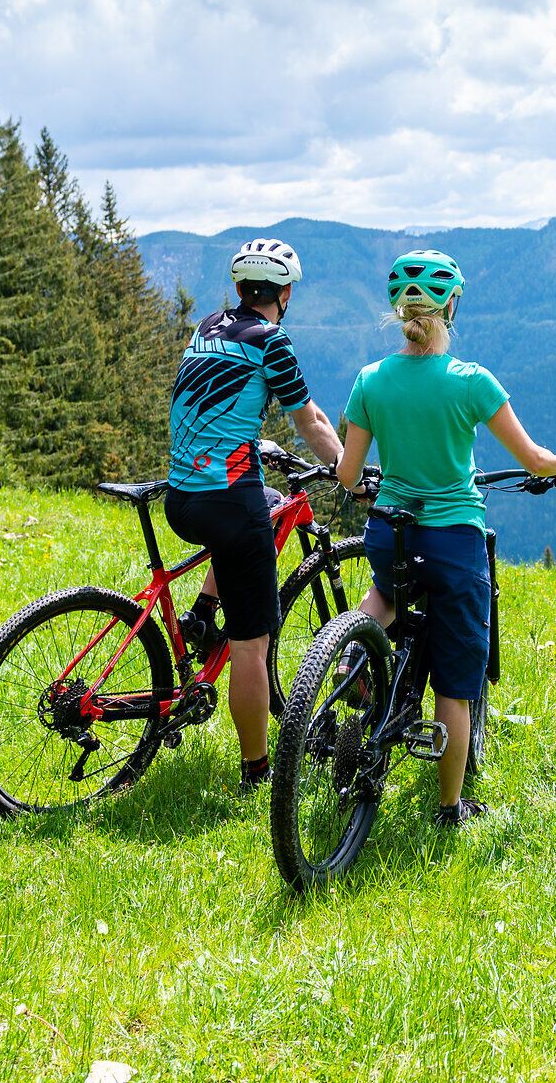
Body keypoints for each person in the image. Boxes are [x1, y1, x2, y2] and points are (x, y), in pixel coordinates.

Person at [333, 249, 556, 827]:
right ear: (450, 307)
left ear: (400, 312)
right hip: (453, 542)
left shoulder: (370, 380)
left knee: (387, 591)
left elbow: (348, 475)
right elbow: (533, 459)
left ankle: (351, 654)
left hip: (390, 532)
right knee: (455, 680)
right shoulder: (472, 382)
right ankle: (450, 806)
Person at [166, 237, 343, 791]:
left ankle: (202, 612)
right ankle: (256, 770)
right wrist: (349, 472)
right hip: (227, 500)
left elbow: (217, 402)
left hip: (182, 497)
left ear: (241, 288)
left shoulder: (207, 328)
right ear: (284, 294)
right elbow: (310, 421)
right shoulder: (271, 341)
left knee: (265, 504)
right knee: (252, 645)